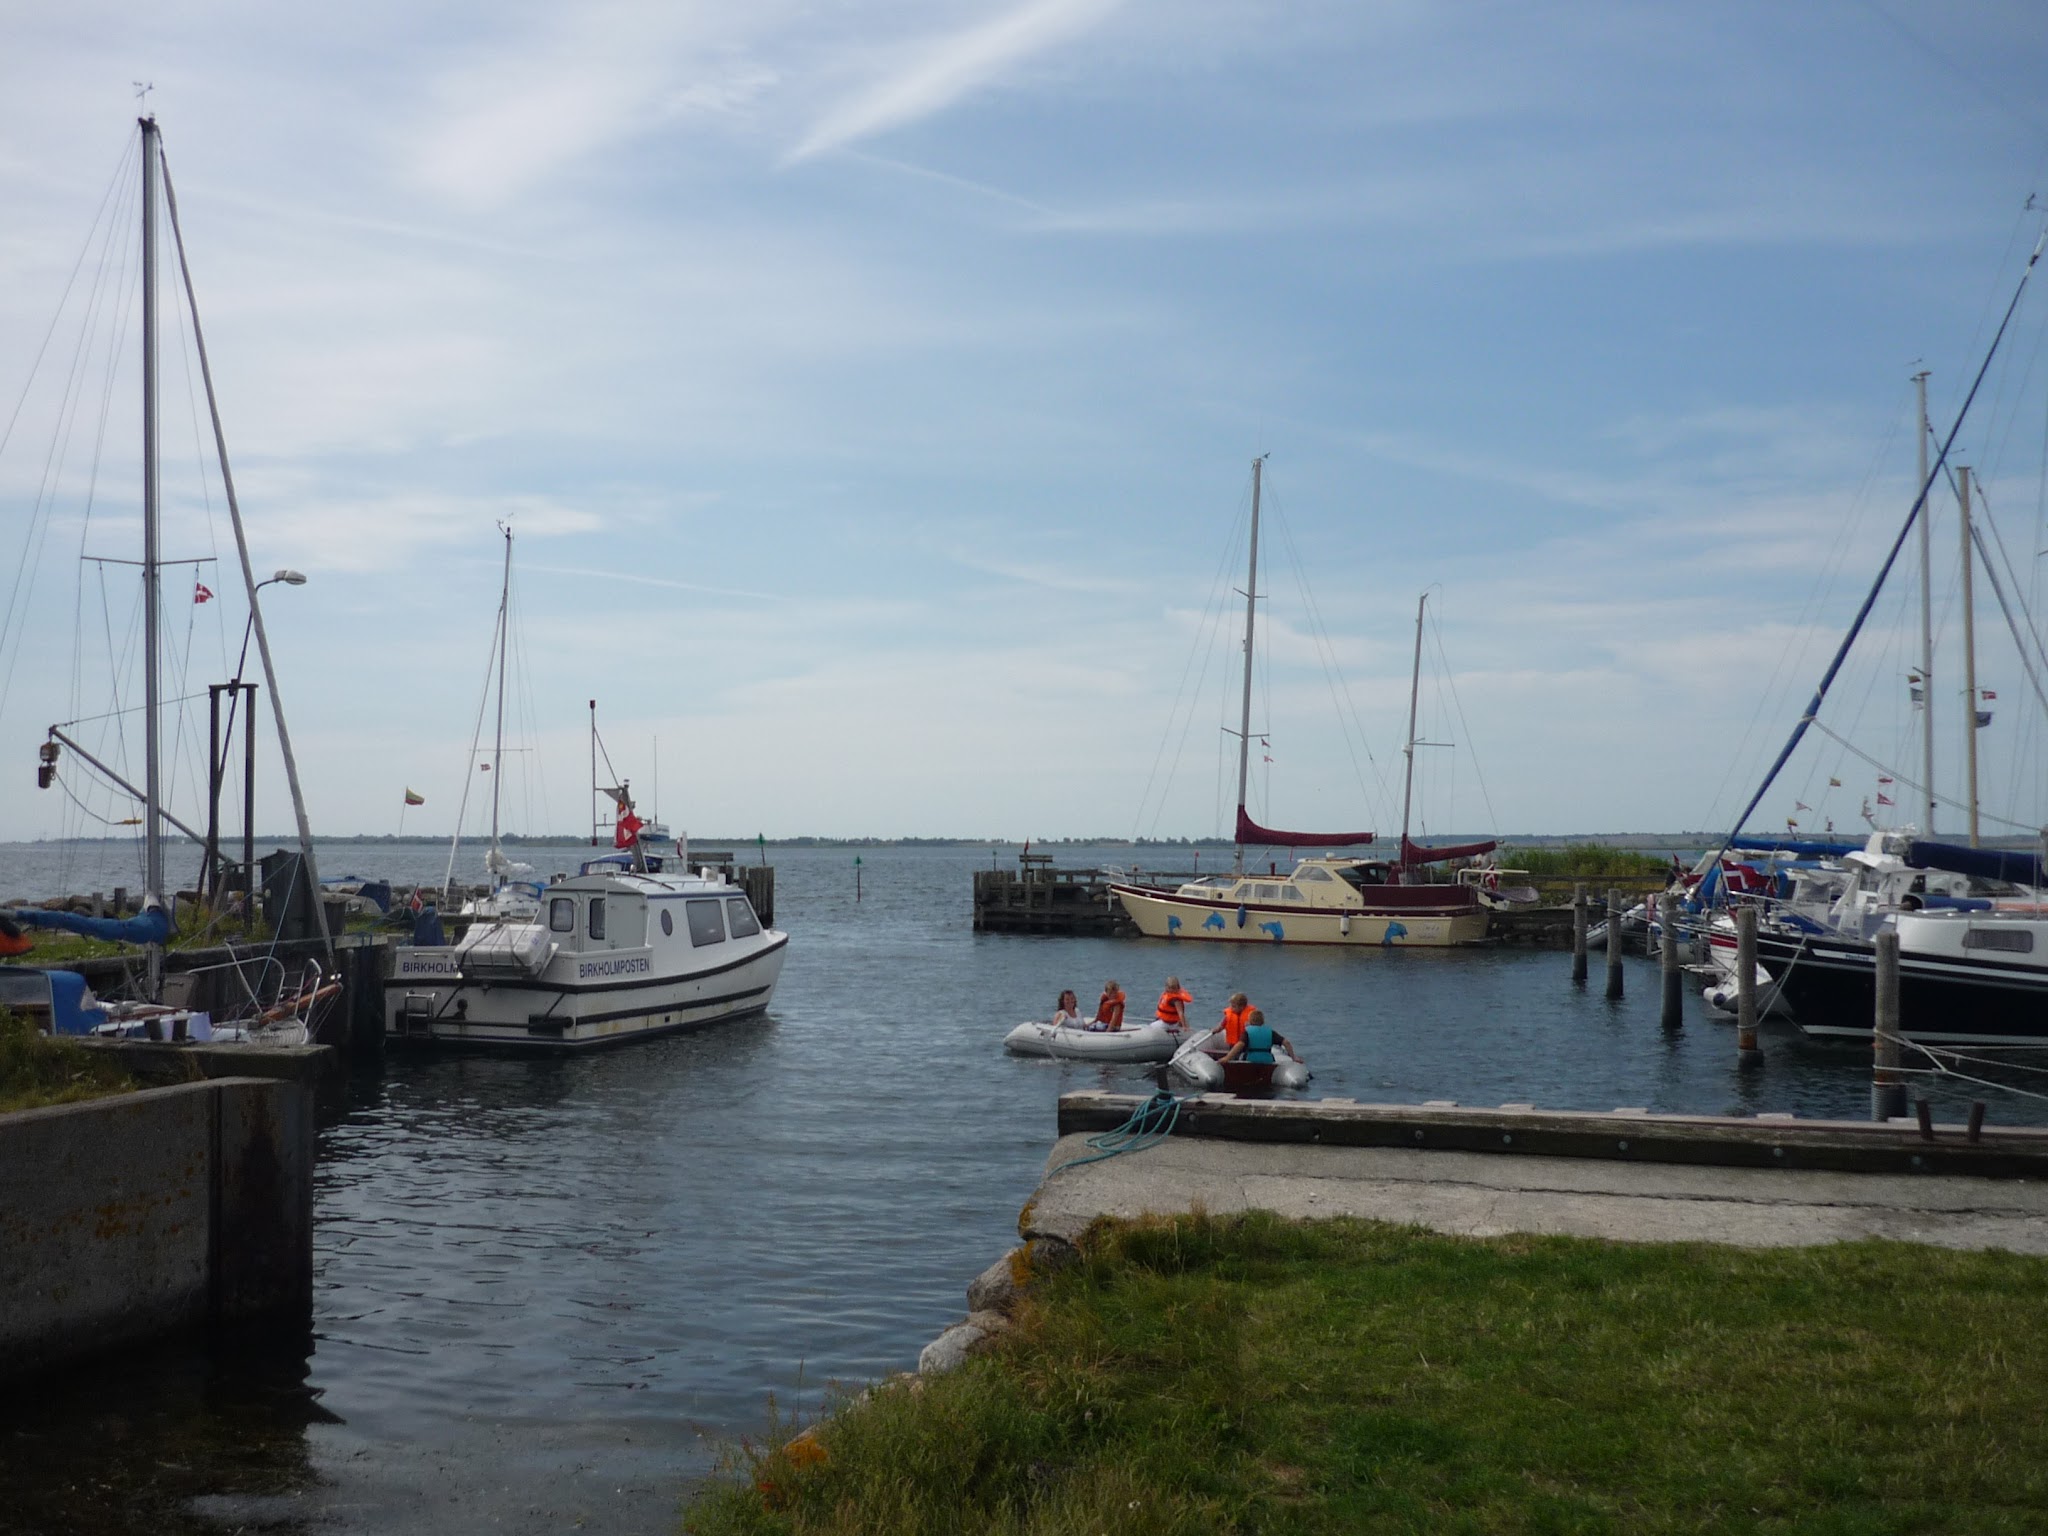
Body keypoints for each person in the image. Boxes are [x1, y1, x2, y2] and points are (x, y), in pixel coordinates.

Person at [1222, 1008, 1302, 1067]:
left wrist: (1227, 1058)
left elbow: (1240, 1045)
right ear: (1263, 1021)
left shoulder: (1247, 1032)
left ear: (1249, 1021)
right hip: (1267, 1060)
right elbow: (1286, 1042)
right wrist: (1293, 1057)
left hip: (1250, 1059)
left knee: (1239, 1057)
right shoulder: (1270, 1031)